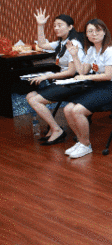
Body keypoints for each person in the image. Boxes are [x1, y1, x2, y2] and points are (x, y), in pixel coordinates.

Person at [63, 19, 112, 158]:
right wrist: (74, 55)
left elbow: (108, 76)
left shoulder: (111, 50)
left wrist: (86, 77)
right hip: (99, 85)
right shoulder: (92, 50)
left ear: (104, 32)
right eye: (90, 31)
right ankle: (81, 142)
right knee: (67, 109)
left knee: (78, 111)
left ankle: (86, 145)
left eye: (98, 30)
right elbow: (82, 71)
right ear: (86, 35)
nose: (94, 34)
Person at [26, 10, 85, 145]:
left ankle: (57, 130)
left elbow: (71, 72)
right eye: (54, 26)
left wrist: (47, 76)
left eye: (60, 25)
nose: (56, 28)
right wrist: (40, 25)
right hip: (62, 81)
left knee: (35, 100)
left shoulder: (74, 43)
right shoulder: (61, 42)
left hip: (74, 82)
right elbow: (42, 44)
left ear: (70, 27)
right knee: (30, 96)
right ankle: (54, 129)